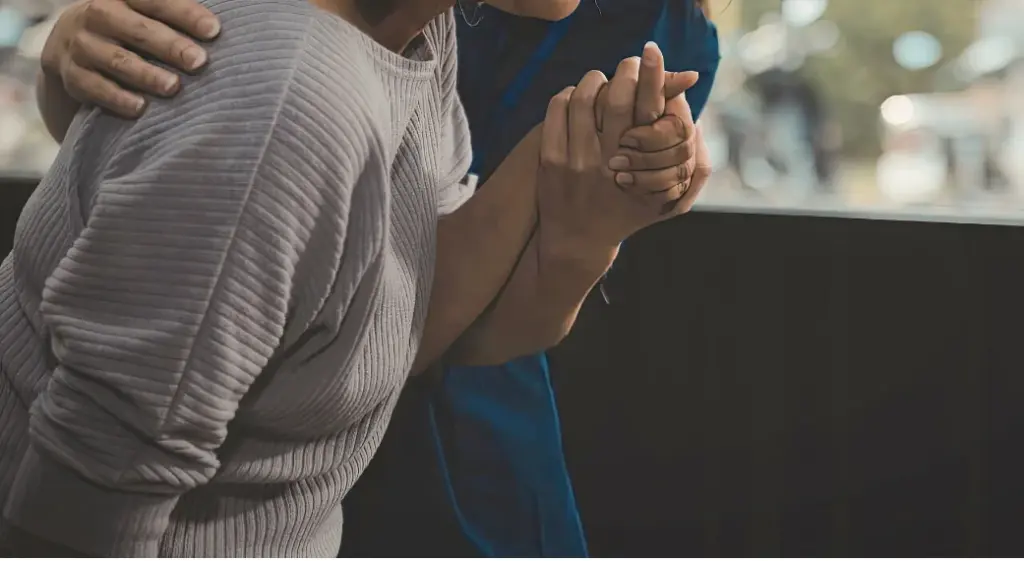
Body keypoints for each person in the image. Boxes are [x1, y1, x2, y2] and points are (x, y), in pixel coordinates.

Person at [0, 0, 708, 556]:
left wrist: (571, 192)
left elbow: (399, 311)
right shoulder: (293, 95)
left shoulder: (421, 36)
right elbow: (82, 505)